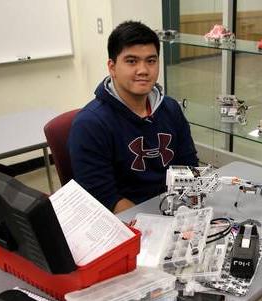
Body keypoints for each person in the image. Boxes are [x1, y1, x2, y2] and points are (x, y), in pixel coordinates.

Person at [69, 21, 198, 213]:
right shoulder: (90, 124)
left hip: (173, 209)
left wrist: (185, 212)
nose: (143, 70)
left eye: (151, 61)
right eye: (131, 61)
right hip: (129, 220)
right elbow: (104, 198)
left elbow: (188, 165)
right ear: (112, 67)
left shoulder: (170, 108)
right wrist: (154, 225)